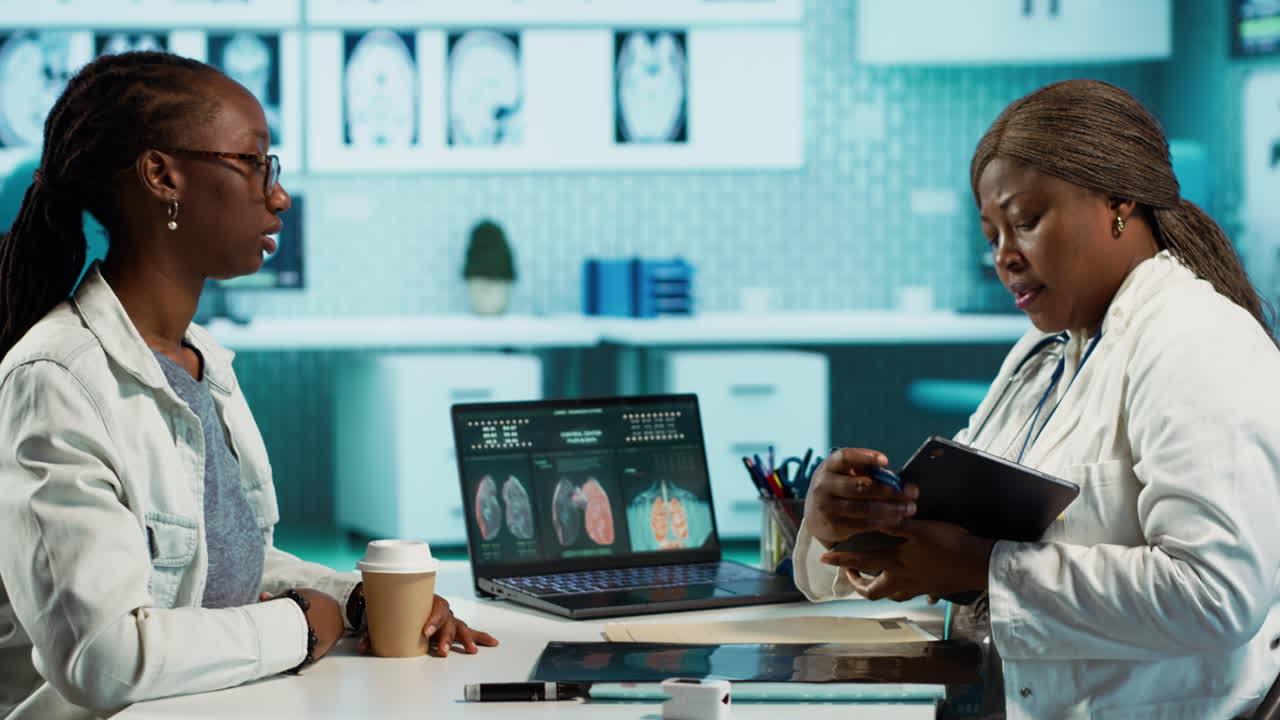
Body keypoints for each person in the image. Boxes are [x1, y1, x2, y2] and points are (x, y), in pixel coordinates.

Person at [0, 51, 497, 720]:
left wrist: (358, 601)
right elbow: (106, 656)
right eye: (253, 162)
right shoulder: (57, 381)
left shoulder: (203, 363)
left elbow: (219, 568)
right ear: (162, 175)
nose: (278, 194)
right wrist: (300, 626)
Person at [794, 78, 1280, 718]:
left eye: (1025, 222)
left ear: (1118, 198)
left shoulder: (1198, 342)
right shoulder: (1042, 353)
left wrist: (983, 570)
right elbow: (950, 534)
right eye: (992, 234)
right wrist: (854, 523)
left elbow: (1218, 595)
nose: (1005, 258)